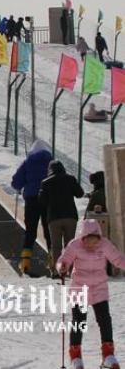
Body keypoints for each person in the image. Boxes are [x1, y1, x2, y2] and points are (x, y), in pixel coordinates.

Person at [57, 219, 125, 369]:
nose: (91, 244)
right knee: (79, 321)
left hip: (99, 288)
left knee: (105, 320)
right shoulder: (75, 245)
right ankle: (76, 357)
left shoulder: (105, 245)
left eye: (95, 241)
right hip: (79, 288)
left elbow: (118, 259)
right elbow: (64, 259)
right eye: (88, 241)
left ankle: (108, 355)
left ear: (99, 238)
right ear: (83, 237)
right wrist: (62, 266)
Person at [11, 139, 53, 275]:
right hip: (48, 199)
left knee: (30, 230)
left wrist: (19, 187)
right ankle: (52, 259)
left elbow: (17, 181)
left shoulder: (28, 162)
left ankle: (25, 261)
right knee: (48, 229)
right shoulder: (51, 163)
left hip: (31, 199)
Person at [40, 160, 85, 276]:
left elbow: (42, 201)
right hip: (70, 216)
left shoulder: (45, 182)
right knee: (70, 244)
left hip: (54, 218)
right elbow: (80, 193)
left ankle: (56, 271)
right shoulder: (70, 179)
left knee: (56, 246)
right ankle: (70, 270)